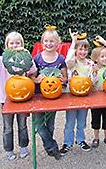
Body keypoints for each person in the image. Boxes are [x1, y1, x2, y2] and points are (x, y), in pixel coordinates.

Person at [0, 32, 37, 161]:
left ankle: (23, 147)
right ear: (6, 45)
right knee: (7, 127)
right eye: (12, 43)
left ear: (22, 45)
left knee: (22, 125)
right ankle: (9, 150)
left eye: (18, 43)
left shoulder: (24, 60)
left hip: (23, 98)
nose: (15, 45)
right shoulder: (1, 61)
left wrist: (27, 55)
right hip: (6, 99)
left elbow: (33, 70)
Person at [60, 29, 98, 156]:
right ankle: (67, 142)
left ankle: (81, 140)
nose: (82, 52)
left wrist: (93, 73)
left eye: (85, 49)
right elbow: (67, 60)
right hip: (71, 95)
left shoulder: (90, 63)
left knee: (82, 121)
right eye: (80, 49)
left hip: (85, 96)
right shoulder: (72, 62)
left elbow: (93, 82)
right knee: (70, 122)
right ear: (76, 50)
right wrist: (74, 41)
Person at [32, 27, 67, 159]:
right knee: (39, 124)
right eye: (46, 41)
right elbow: (32, 78)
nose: (49, 44)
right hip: (38, 96)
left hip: (54, 96)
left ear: (57, 43)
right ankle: (52, 146)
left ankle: (49, 147)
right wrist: (36, 79)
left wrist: (63, 80)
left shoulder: (61, 59)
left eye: (52, 41)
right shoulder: (37, 58)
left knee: (50, 123)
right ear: (42, 42)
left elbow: (65, 78)